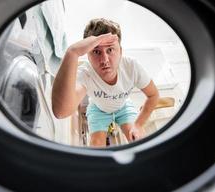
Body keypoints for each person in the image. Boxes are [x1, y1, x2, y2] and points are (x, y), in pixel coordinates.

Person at [52, 18, 159, 147]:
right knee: (97, 147)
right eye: (96, 51)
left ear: (121, 51)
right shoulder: (85, 72)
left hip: (123, 107)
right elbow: (60, 112)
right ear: (87, 54)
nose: (105, 60)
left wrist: (138, 124)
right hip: (98, 109)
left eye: (110, 50)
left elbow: (153, 95)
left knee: (139, 142)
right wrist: (72, 53)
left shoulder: (132, 67)